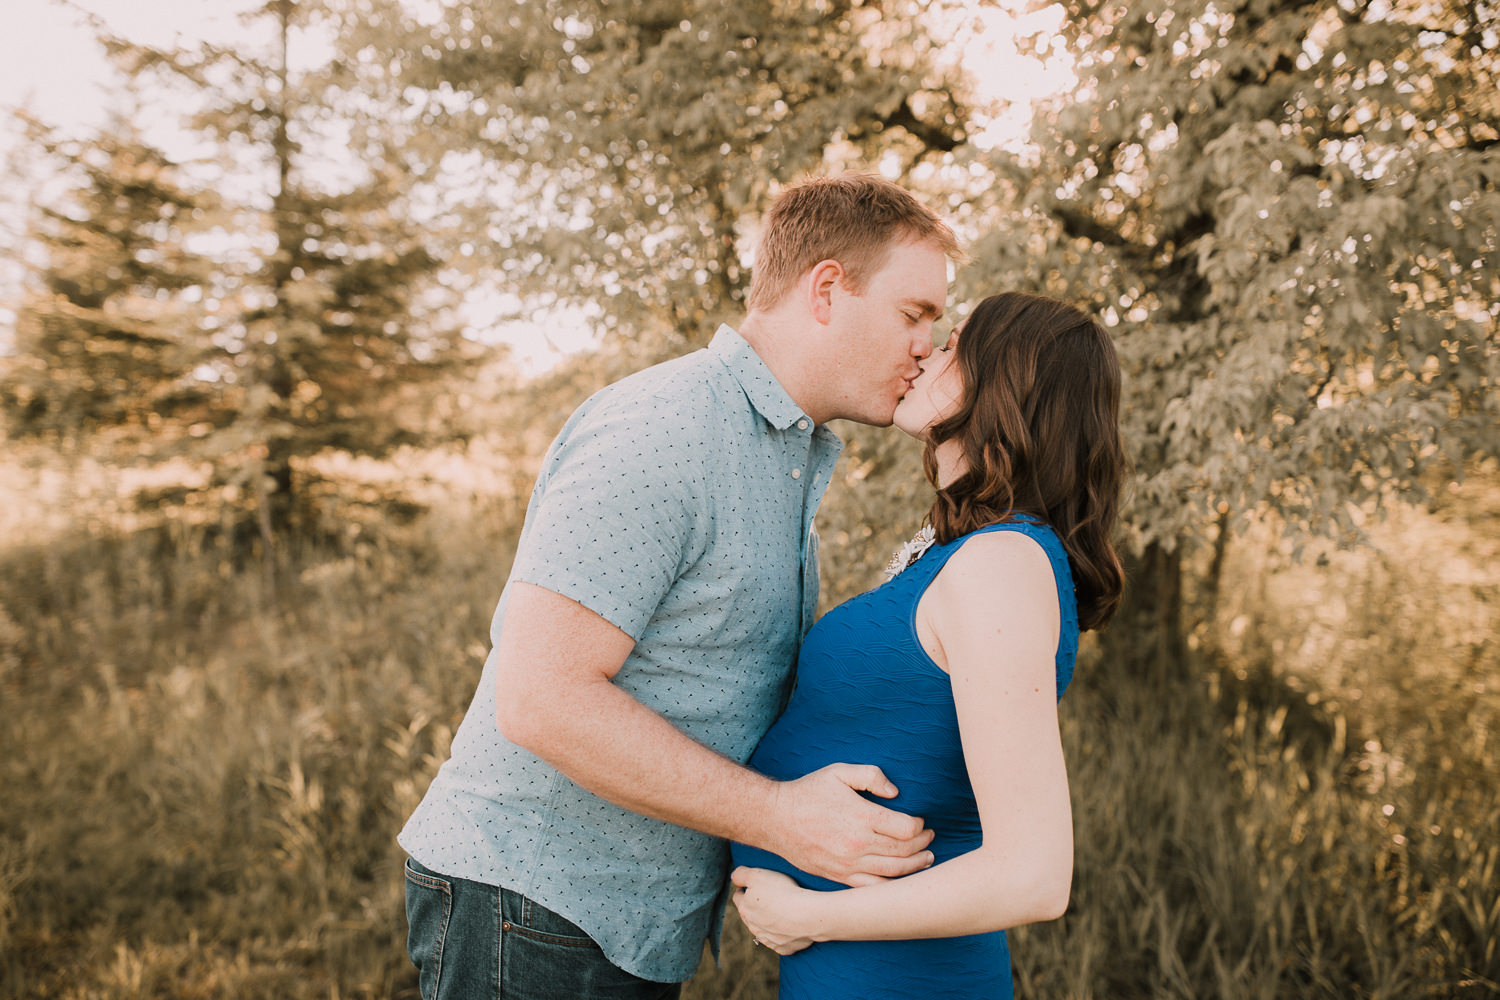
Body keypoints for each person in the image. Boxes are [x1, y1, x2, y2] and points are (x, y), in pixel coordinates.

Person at [397, 173, 965, 999]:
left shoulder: (783, 451)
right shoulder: (666, 429)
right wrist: (781, 818)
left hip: (618, 927)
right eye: (915, 315)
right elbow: (540, 698)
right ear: (828, 290)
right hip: (532, 911)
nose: (927, 345)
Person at [729, 291, 1127, 1000]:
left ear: (1008, 383)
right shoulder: (967, 551)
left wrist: (809, 912)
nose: (926, 350)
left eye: (954, 344)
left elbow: (1033, 875)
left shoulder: (1002, 565)